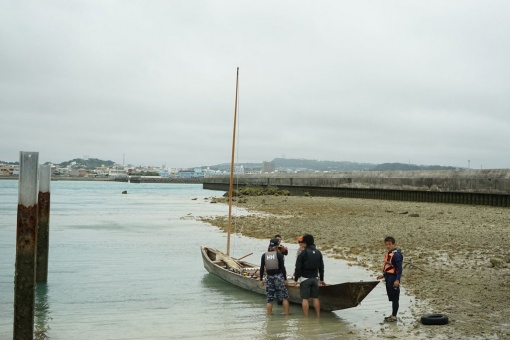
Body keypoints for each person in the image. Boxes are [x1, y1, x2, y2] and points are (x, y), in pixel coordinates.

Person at [293, 234, 325, 317]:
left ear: (305, 243)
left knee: (305, 299)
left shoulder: (303, 253)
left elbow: (298, 268)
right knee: (315, 298)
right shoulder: (318, 253)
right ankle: (318, 316)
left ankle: (306, 317)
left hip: (305, 278)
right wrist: (321, 279)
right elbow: (321, 267)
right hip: (315, 278)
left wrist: (296, 280)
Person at [376, 236, 403, 322]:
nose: (388, 246)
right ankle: (392, 315)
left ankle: (394, 316)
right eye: (386, 244)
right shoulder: (389, 254)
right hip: (388, 277)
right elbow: (389, 268)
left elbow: (399, 269)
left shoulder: (397, 255)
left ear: (393, 244)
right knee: (391, 296)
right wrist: (383, 275)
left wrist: (397, 280)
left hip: (394, 278)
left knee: (395, 298)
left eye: (389, 244)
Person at [260, 238, 290, 315]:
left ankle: (269, 316)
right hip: (278, 277)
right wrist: (285, 279)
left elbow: (262, 268)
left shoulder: (264, 255)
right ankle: (287, 314)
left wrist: (261, 279)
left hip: (269, 277)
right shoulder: (279, 255)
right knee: (284, 297)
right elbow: (282, 268)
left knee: (269, 299)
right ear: (277, 246)